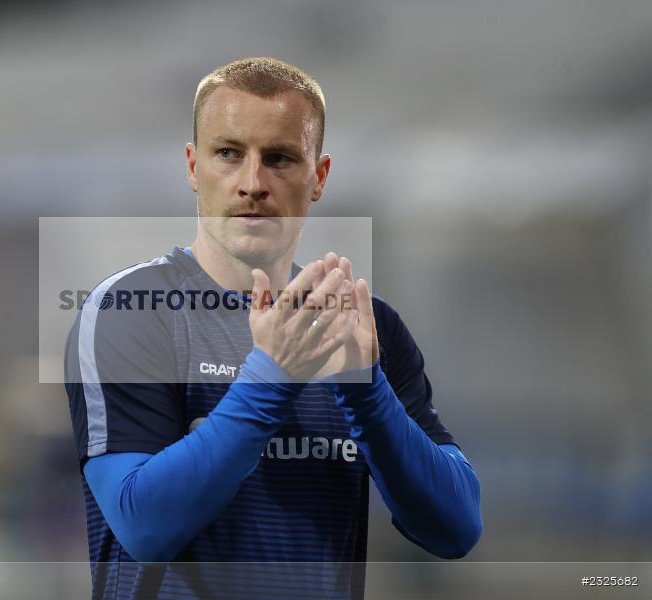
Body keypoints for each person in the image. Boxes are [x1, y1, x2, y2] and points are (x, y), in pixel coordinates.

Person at [64, 57, 482, 599]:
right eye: (229, 154)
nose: (253, 183)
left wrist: (369, 395)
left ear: (319, 176)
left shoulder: (363, 327)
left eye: (280, 158)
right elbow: (144, 524)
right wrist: (271, 378)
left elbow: (455, 528)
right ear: (193, 166)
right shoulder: (132, 311)